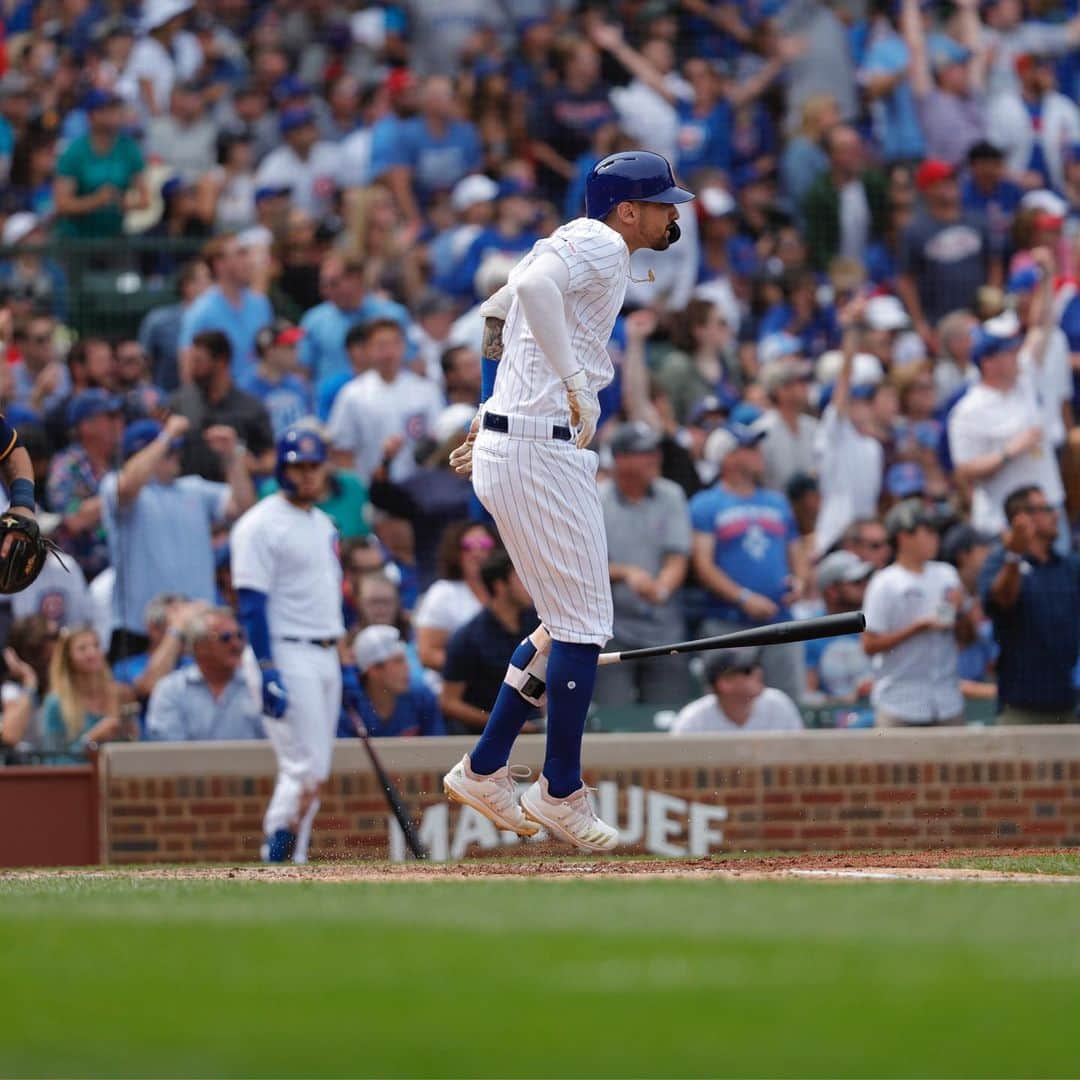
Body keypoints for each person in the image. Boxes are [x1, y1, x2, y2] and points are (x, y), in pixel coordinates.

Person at [442, 150, 694, 852]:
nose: (673, 214)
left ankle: (486, 767)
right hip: (539, 446)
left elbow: (496, 310)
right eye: (663, 202)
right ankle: (559, 791)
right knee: (583, 627)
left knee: (565, 623)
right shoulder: (602, 242)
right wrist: (575, 388)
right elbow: (529, 295)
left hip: (520, 440)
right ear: (627, 209)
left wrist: (489, 407)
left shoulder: (588, 243)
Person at [231, 427, 344, 865]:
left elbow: (330, 598)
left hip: (324, 651)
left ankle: (290, 859)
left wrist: (346, 666)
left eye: (315, 466)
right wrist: (266, 666)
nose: (309, 475)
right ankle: (274, 859)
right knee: (302, 769)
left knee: (316, 770)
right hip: (283, 649)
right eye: (299, 466)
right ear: (282, 467)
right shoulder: (259, 523)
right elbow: (251, 604)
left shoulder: (322, 523)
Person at [101, 415, 255, 660]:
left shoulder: (194, 488)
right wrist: (167, 436)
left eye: (176, 449)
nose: (176, 454)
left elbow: (243, 508)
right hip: (140, 631)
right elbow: (127, 486)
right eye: (169, 451)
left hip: (200, 628)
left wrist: (231, 457)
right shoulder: (118, 487)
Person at [689, 421, 809, 703]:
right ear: (727, 456)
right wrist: (743, 598)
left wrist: (800, 581)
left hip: (781, 620)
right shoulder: (706, 504)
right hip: (728, 623)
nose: (759, 453)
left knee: (789, 702)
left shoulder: (777, 502)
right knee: (727, 703)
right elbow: (703, 566)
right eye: (750, 448)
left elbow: (796, 551)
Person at [593, 422, 693, 707]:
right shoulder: (596, 499)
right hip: (612, 630)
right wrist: (626, 572)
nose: (654, 457)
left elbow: (677, 557)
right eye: (643, 452)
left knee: (667, 716)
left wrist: (661, 588)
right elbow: (583, 565)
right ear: (620, 458)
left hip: (663, 627)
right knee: (615, 719)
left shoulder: (671, 494)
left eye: (654, 450)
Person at [947, 310, 1064, 536]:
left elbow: (1043, 326)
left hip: (1049, 506)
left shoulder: (1025, 381)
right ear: (988, 363)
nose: (1016, 355)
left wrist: (1047, 277)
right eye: (1008, 352)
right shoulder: (968, 410)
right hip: (1004, 520)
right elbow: (964, 469)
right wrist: (1008, 451)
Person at [862, 499, 971, 727]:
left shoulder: (947, 574)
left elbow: (967, 637)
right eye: (927, 531)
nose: (935, 538)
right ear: (903, 536)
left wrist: (961, 612)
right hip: (899, 702)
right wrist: (917, 628)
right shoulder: (885, 583)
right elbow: (869, 645)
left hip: (946, 700)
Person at [979, 485, 1079, 724]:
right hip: (1020, 708)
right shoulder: (999, 562)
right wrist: (1014, 555)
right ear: (1022, 517)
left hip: (1067, 705)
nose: (1056, 514)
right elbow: (1001, 600)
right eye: (1046, 508)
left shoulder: (1070, 566)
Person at [327, 318, 442, 484]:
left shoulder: (426, 390)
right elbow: (342, 451)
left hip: (420, 490)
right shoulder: (352, 394)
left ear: (403, 346)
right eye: (381, 346)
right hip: (372, 489)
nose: (389, 353)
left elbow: (438, 439)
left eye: (394, 344)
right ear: (367, 350)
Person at [441, 551, 537, 735]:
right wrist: (502, 723)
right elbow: (449, 702)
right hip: (481, 739)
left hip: (534, 730)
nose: (531, 585)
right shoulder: (468, 638)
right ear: (500, 586)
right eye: (521, 578)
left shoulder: (537, 624)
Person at [168, 329, 275, 481]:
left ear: (221, 362)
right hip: (188, 495)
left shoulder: (251, 407)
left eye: (198, 361)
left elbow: (270, 457)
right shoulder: (179, 402)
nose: (192, 367)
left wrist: (249, 463)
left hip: (234, 495)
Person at [145, 606, 263, 741]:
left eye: (240, 636)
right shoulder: (171, 690)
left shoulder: (258, 685)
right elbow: (168, 752)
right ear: (200, 646)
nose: (236, 644)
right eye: (225, 638)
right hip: (186, 763)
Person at [47, 389, 124, 582]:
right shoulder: (67, 465)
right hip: (84, 575)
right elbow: (73, 520)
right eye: (110, 417)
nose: (119, 423)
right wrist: (124, 491)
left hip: (122, 570)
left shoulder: (119, 462)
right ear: (86, 426)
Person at [52, 89, 148, 239]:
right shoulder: (75, 152)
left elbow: (144, 199)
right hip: (77, 239)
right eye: (107, 109)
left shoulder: (129, 149)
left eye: (116, 108)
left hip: (115, 237)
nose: (115, 113)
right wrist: (96, 201)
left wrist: (124, 203)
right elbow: (62, 204)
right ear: (91, 116)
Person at [179, 233, 273, 384]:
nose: (249, 261)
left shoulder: (261, 304)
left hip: (260, 400)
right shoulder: (201, 311)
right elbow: (188, 371)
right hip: (220, 402)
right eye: (241, 254)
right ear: (219, 264)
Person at [413, 520, 497, 674]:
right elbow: (427, 654)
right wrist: (479, 672)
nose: (476, 553)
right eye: (468, 546)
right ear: (456, 552)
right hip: (453, 686)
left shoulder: (507, 591)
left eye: (485, 544)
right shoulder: (443, 593)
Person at [38, 626, 133, 761]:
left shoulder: (119, 693)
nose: (92, 652)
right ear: (68, 658)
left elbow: (133, 746)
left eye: (96, 646)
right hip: (78, 780)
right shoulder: (56, 703)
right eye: (82, 648)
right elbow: (53, 761)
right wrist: (90, 739)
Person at [340, 625, 444, 738]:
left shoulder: (423, 698)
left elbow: (437, 747)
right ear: (373, 670)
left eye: (405, 660)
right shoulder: (349, 706)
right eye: (398, 661)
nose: (407, 668)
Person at [670, 647, 804, 734]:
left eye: (757, 666)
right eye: (747, 670)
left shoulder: (779, 703)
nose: (758, 672)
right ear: (724, 683)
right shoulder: (692, 719)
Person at [804, 550, 874, 709]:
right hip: (834, 724)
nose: (865, 586)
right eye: (856, 582)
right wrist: (844, 700)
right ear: (832, 591)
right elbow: (808, 694)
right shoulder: (809, 629)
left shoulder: (875, 621)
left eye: (865, 580)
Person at [753, 357, 818, 494]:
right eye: (799, 382)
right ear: (780, 390)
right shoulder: (761, 431)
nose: (805, 388)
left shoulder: (813, 427)